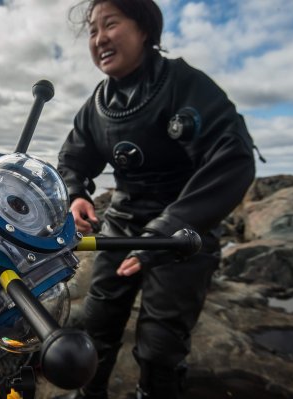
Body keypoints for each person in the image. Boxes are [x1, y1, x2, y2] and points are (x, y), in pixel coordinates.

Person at [55, 0, 257, 398]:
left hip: (181, 232)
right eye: (93, 31)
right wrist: (76, 193)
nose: (99, 39)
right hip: (123, 226)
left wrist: (168, 228)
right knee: (95, 328)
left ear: (145, 28)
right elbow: (72, 158)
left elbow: (233, 159)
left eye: (110, 24)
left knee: (160, 350)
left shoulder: (184, 84)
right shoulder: (97, 105)